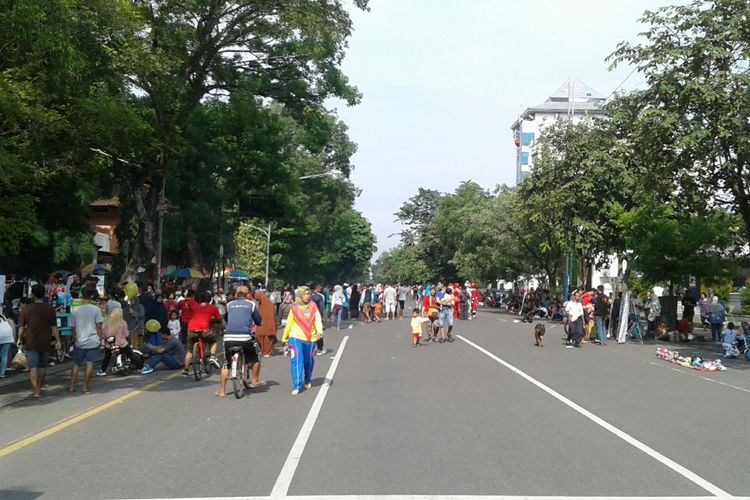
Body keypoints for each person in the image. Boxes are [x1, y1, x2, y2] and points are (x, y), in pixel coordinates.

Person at [217, 286, 264, 396]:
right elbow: (258, 320)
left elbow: (227, 319)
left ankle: (222, 391)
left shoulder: (229, 305)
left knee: (225, 364)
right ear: (248, 295)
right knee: (256, 357)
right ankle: (255, 380)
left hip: (228, 338)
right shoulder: (251, 304)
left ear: (235, 295)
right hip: (244, 338)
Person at [17, 284, 61, 398]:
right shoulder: (49, 309)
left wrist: (18, 339)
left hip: (31, 341)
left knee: (33, 367)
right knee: (42, 367)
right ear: (44, 294)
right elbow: (54, 327)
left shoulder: (26, 309)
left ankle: (35, 391)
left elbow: (21, 327)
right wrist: (58, 341)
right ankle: (39, 388)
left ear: (33, 294)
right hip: (45, 341)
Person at [282, 286, 323, 395]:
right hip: (295, 337)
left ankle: (308, 379)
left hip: (311, 338)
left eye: (308, 293)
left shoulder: (313, 306)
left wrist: (319, 332)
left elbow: (318, 320)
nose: (307, 296)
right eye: (304, 294)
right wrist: (284, 337)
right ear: (299, 295)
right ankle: (297, 384)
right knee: (297, 359)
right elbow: (289, 323)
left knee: (308, 361)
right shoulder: (294, 307)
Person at [70, 288, 103, 393]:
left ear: (81, 295)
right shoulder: (96, 309)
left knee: (76, 364)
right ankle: (85, 386)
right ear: (92, 297)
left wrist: (74, 339)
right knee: (90, 363)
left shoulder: (75, 311)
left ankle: (72, 386)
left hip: (79, 340)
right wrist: (101, 340)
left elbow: (73, 328)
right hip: (93, 341)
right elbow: (99, 327)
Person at [184, 290, 222, 374]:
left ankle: (186, 370)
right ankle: (212, 356)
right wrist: (214, 320)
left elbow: (187, 300)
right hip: (204, 330)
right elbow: (219, 319)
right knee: (213, 341)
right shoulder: (213, 307)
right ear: (210, 299)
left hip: (191, 330)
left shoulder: (194, 305)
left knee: (189, 351)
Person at [98, 308, 143, 376]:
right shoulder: (123, 323)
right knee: (131, 355)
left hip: (110, 345)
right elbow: (126, 334)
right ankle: (141, 368)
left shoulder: (105, 324)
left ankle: (102, 371)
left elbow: (103, 335)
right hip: (122, 344)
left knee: (107, 357)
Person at [254, 288, 277, 357]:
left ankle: (268, 352)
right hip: (262, 323)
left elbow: (271, 315)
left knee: (268, 338)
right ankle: (263, 351)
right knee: (259, 336)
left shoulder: (269, 304)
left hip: (268, 324)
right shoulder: (261, 304)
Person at [310, 283, 327, 355]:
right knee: (318, 332)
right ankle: (320, 349)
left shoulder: (308, 296)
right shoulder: (320, 296)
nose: (320, 288)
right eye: (319, 286)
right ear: (316, 287)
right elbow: (321, 308)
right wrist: (322, 317)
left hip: (308, 316)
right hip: (317, 316)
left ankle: (310, 348)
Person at [0, 311, 15, 378]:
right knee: (4, 355)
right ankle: (2, 373)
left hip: (1, 335)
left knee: (3, 355)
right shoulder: (3, 316)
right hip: (8, 336)